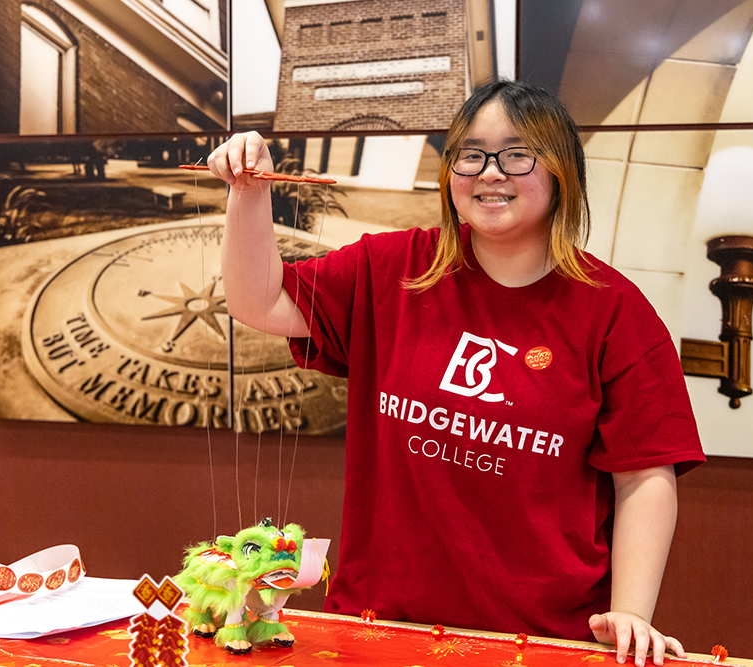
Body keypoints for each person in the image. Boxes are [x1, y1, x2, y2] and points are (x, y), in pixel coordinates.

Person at [207, 79, 705, 667]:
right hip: (378, 632)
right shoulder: (392, 268)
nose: (489, 172)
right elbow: (259, 302)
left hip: (538, 642)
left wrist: (631, 613)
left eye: (517, 154)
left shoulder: (616, 311)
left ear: (563, 172)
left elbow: (644, 476)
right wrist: (248, 193)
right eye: (471, 154)